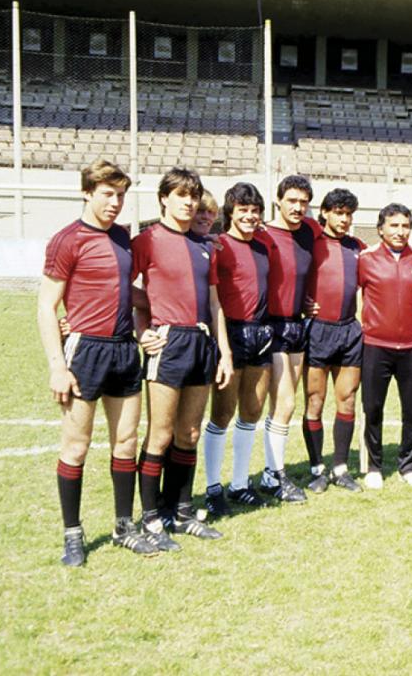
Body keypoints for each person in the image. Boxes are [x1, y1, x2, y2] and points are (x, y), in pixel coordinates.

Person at [38, 159, 157, 565]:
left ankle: (125, 527)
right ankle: (73, 534)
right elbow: (46, 305)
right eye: (107, 193)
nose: (115, 202)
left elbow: (128, 291)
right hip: (85, 351)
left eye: (121, 194)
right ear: (87, 192)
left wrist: (167, 308)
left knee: (125, 441)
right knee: (76, 446)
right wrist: (58, 366)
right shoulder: (66, 240)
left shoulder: (124, 237)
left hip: (124, 350)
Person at [132, 167, 233, 551]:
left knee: (189, 432)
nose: (189, 203)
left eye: (194, 196)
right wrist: (145, 330)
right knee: (160, 432)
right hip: (169, 343)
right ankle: (151, 516)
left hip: (202, 342)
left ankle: (182, 511)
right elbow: (125, 288)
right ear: (164, 199)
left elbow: (213, 302)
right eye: (181, 195)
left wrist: (223, 352)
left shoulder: (204, 245)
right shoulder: (147, 240)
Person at [201, 183, 273, 517]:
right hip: (228, 334)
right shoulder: (218, 246)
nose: (250, 216)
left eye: (255, 210)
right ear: (231, 212)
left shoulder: (263, 247)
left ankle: (241, 484)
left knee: (252, 411)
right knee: (222, 413)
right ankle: (213, 487)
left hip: (260, 333)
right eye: (243, 210)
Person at [256, 174, 320, 503]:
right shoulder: (262, 233)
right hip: (271, 326)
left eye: (303, 202)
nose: (297, 207)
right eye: (292, 201)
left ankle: (271, 469)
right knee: (286, 403)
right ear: (278, 200)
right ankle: (274, 475)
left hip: (298, 325)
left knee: (284, 404)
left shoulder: (310, 231)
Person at [358, 203, 412, 489]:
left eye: (405, 226)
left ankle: (409, 465)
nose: (401, 232)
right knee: (372, 407)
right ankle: (374, 465)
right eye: (394, 226)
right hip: (375, 345)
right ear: (380, 229)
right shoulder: (365, 259)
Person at [303, 188, 366, 493]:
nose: (344, 219)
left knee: (348, 399)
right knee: (315, 400)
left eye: (348, 214)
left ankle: (340, 467)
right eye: (338, 212)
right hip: (318, 329)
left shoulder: (358, 247)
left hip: (350, 330)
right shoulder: (311, 243)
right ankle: (317, 468)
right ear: (325, 212)